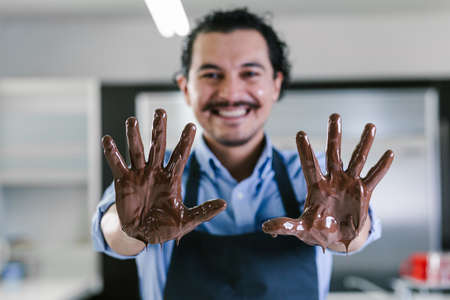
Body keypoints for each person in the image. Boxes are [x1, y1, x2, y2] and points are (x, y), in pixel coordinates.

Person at [92, 8, 394, 300]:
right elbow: (112, 230)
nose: (230, 93)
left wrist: (346, 233)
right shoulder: (148, 180)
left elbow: (357, 234)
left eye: (249, 73)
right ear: (186, 88)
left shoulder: (315, 179)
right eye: (211, 74)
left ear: (275, 84)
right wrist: (131, 228)